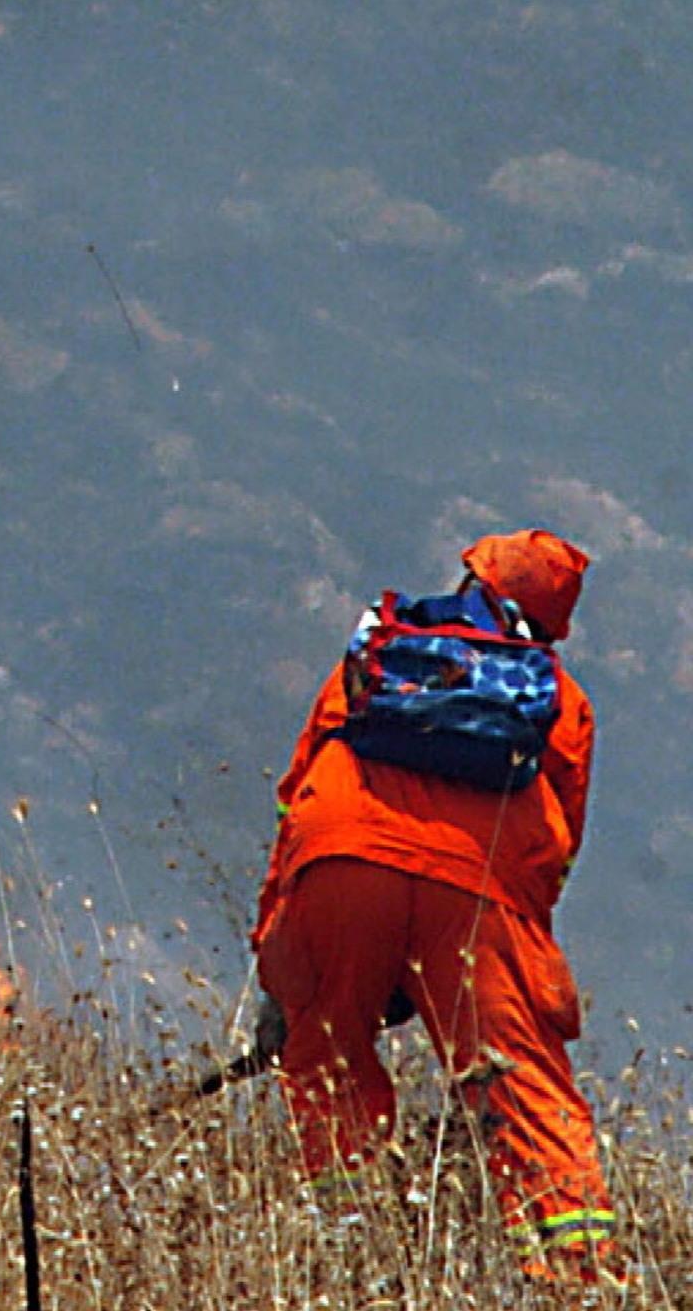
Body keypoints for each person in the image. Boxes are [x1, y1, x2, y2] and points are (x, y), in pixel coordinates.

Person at [252, 529, 621, 1286]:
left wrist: (279, 973)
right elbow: (554, 850)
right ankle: (578, 1275)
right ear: (552, 620)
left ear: (470, 579)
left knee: (326, 1054)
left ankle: (348, 1255)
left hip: (338, 861)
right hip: (479, 896)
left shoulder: (375, 658)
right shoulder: (560, 702)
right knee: (521, 1079)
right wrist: (504, 956)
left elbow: (298, 798)